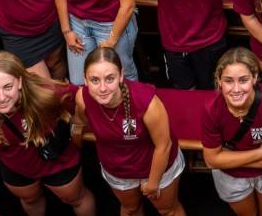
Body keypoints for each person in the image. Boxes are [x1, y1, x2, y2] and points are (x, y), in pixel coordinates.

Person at [0, 51, 97, 216]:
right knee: (30, 200)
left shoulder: (47, 94)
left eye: (8, 87)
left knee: (77, 199)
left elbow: (85, 96)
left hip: (56, 163)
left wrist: (79, 126)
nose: (1, 97)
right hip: (16, 165)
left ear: (20, 82)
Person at [72, 46, 187, 216]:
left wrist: (153, 183)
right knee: (131, 210)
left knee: (167, 210)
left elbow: (163, 146)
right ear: (85, 79)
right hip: (118, 170)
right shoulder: (83, 97)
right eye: (95, 80)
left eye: (110, 78)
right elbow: (81, 120)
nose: (102, 88)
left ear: (121, 76)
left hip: (155, 168)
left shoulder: (147, 103)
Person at [201, 47, 262, 216]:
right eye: (228, 81)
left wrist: (228, 158)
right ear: (219, 81)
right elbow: (212, 160)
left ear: (255, 78)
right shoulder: (211, 109)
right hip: (232, 177)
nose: (236, 89)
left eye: (243, 80)